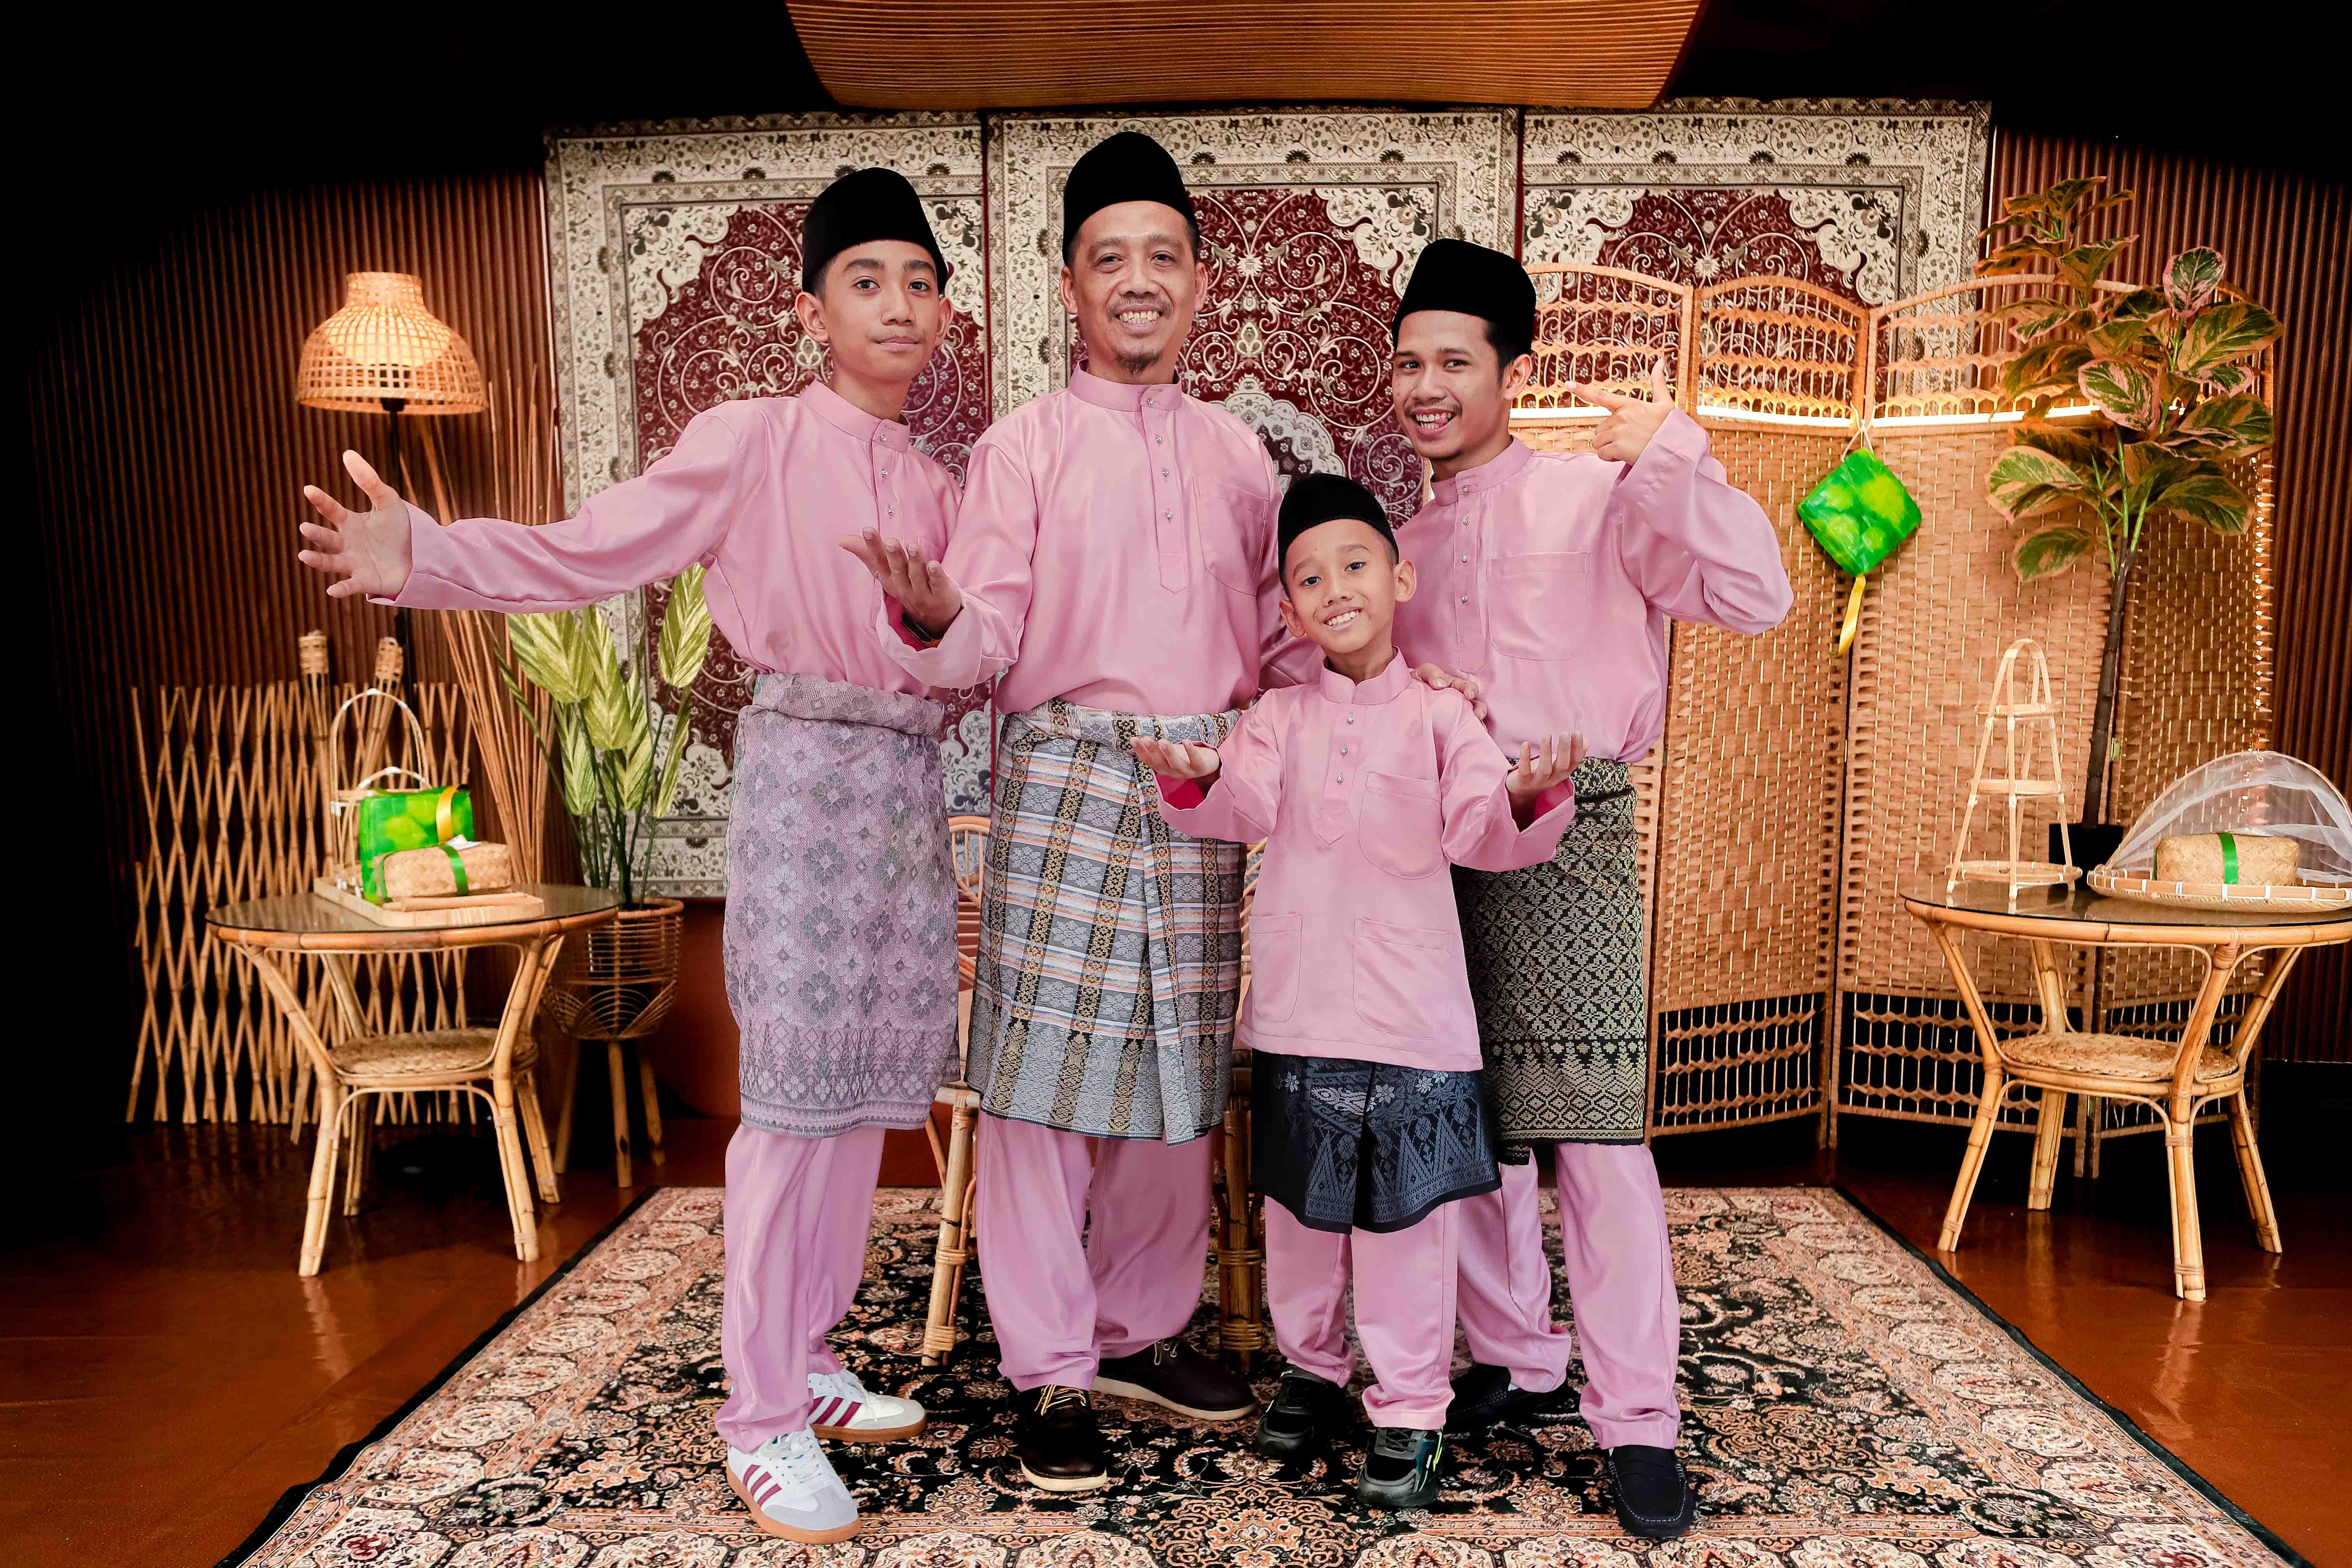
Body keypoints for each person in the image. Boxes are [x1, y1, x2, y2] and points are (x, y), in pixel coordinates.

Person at [292, 168, 967, 1546]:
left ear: (945, 314)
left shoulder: (943, 483)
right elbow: (593, 549)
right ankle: (759, 1417)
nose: (897, 306)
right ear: (811, 313)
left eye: (919, 282)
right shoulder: (753, 439)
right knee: (791, 1101)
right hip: (803, 780)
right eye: (865, 281)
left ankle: (810, 1358)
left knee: (863, 1097)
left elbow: (979, 653)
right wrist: (424, 555)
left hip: (907, 788)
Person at [839, 129, 1355, 1494]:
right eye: (1109, 258)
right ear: (1069, 287)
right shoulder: (1021, 448)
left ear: (1199, 284)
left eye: (1162, 258)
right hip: (1066, 776)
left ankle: (1139, 1332)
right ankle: (1049, 1367)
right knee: (1039, 1091)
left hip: (1201, 785)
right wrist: (934, 616)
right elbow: (984, 630)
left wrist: (1371, 689)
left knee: (1175, 1078)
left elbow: (1281, 640)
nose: (1138, 281)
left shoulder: (1242, 457)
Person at [1387, 239, 1794, 1541]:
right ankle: (1518, 1358)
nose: (1426, 387)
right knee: (1469, 1124)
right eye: (1408, 363)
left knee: (1598, 1138)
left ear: (1513, 374)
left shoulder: (1601, 493)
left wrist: (1673, 448)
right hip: (1439, 835)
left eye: (1455, 362)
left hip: (1574, 829)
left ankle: (1637, 1423)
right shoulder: (1396, 546)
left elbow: (1757, 595)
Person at [1133, 472, 1583, 1509]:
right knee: (1301, 1213)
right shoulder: (1276, 718)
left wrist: (1525, 793)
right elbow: (1238, 806)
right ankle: (1310, 1367)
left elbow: (1479, 829)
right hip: (1304, 1012)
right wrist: (1193, 774)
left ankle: (1413, 1408)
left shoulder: (1443, 717)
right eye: (1307, 579)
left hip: (1414, 1021)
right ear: (1290, 613)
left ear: (1399, 577)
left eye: (1353, 565)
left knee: (1403, 1228)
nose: (1334, 589)